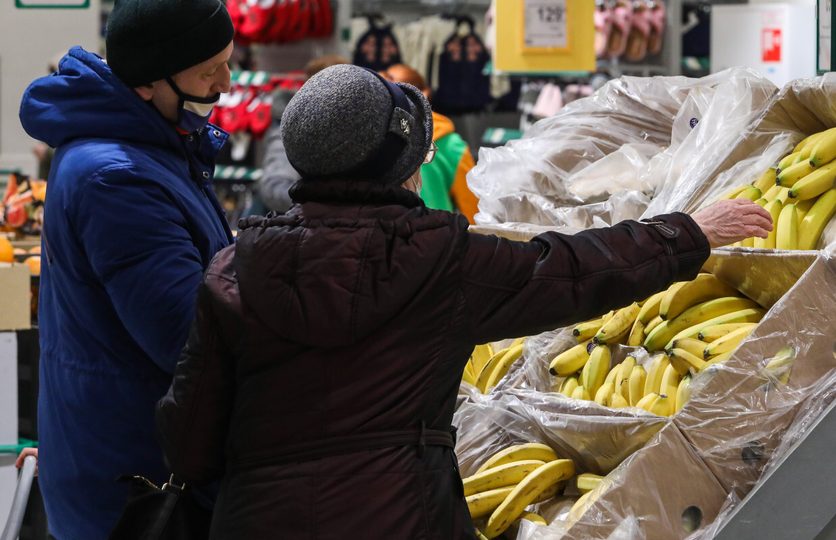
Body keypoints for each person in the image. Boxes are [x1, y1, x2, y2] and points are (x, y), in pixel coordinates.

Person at [156, 65, 772, 539]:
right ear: (401, 168)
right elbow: (575, 268)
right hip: (400, 517)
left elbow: (189, 439)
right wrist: (687, 232)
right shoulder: (439, 261)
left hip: (257, 521)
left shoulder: (234, 269)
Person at [18, 0, 235, 536]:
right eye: (209, 70)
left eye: (227, 63)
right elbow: (187, 336)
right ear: (146, 82)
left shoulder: (155, 147)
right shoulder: (117, 177)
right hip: (132, 480)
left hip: (135, 457)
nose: (225, 84)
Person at [381, 63, 481, 223]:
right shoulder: (451, 145)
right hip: (436, 234)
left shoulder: (369, 137)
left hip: (382, 234)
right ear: (424, 95)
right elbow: (473, 209)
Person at [257, 54, 349, 213]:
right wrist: (325, 205)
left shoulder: (341, 126)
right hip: (288, 229)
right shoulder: (290, 129)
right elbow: (274, 189)